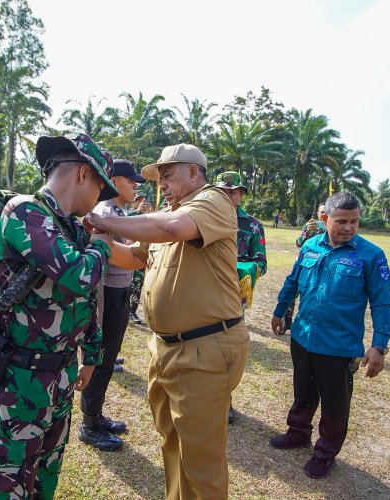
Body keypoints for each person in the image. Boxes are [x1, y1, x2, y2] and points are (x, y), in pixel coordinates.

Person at [85, 144, 249, 499]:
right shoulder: (167, 216)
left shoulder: (213, 201)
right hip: (167, 349)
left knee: (200, 461)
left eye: (168, 175)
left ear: (193, 172)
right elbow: (132, 257)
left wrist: (104, 219)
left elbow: (173, 228)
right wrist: (96, 238)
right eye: (159, 179)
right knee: (173, 444)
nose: (163, 185)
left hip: (204, 348)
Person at [0, 133, 118, 499]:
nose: (98, 204)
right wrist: (103, 242)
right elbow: (79, 276)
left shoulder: (68, 225)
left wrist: (91, 354)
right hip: (19, 379)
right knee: (9, 480)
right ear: (85, 174)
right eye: (101, 190)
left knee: (46, 475)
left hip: (60, 376)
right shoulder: (25, 211)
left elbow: (84, 301)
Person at [269, 192, 390, 479]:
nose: (348, 227)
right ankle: (298, 432)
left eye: (354, 222)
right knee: (302, 390)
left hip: (339, 347)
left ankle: (325, 453)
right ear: (325, 219)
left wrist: (379, 345)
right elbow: (292, 282)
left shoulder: (371, 255)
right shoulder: (311, 246)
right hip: (302, 338)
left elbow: (382, 302)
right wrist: (280, 311)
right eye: (341, 221)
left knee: (335, 405)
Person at [78, 159, 144, 452]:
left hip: (119, 294)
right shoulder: (105, 213)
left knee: (107, 360)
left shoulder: (117, 212)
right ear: (115, 180)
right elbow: (102, 263)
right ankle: (88, 425)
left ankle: (95, 415)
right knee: (100, 360)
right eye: (131, 181)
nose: (135, 186)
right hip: (107, 297)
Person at [216, 171, 267, 425]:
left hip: (234, 296)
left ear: (241, 194)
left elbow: (262, 262)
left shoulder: (252, 225)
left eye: (232, 191)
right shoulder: (205, 218)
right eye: (222, 191)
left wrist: (241, 271)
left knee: (226, 350)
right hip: (202, 292)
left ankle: (225, 401)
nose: (227, 195)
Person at [283, 203, 327, 333]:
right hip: (304, 265)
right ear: (318, 214)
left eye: (326, 211)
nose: (323, 214)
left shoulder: (332, 229)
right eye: (322, 212)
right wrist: (307, 231)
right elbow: (298, 243)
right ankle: (287, 322)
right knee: (291, 293)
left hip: (321, 268)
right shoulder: (310, 225)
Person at [128, 191, 152, 325]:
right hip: (128, 254)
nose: (142, 203)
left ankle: (132, 311)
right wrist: (138, 212)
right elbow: (127, 222)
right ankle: (125, 309)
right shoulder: (128, 214)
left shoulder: (149, 216)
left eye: (143, 200)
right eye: (139, 200)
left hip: (141, 256)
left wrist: (147, 214)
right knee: (127, 285)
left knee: (138, 283)